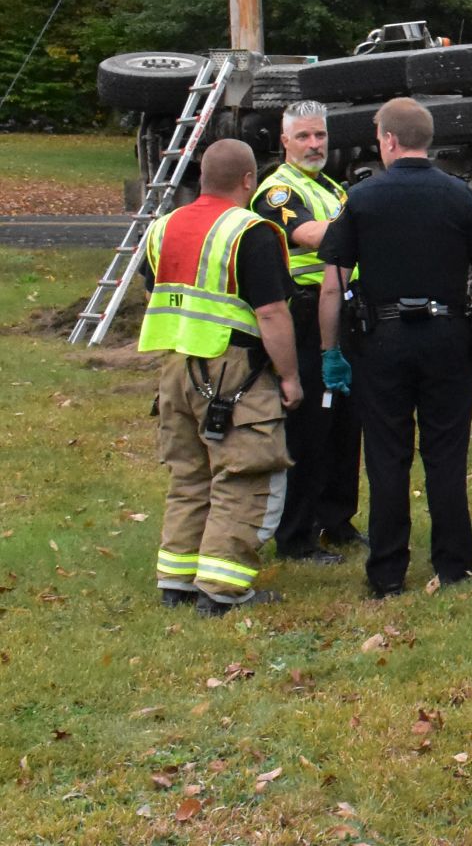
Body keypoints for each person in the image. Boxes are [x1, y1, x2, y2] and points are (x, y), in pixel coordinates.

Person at [316, 98, 472, 599]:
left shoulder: (360, 198)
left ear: (387, 139)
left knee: (387, 457)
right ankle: (453, 565)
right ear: (427, 140)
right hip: (446, 340)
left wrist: (329, 352)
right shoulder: (462, 198)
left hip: (381, 340)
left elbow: (331, 285)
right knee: (446, 454)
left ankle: (386, 574)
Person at [139, 139, 302, 617]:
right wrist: (289, 377)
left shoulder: (162, 227)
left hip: (175, 365)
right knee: (247, 471)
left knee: (189, 473)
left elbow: (158, 291)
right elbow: (271, 313)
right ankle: (223, 589)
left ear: (204, 177)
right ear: (249, 180)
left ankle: (177, 580)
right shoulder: (251, 231)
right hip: (235, 370)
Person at [252, 99, 363, 563]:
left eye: (320, 135)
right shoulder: (277, 190)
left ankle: (337, 521)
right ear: (284, 142)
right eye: (303, 136)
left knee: (344, 423)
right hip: (305, 317)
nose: (314, 144)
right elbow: (310, 236)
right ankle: (295, 535)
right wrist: (365, 224)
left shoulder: (333, 187)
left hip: (344, 311)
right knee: (309, 428)